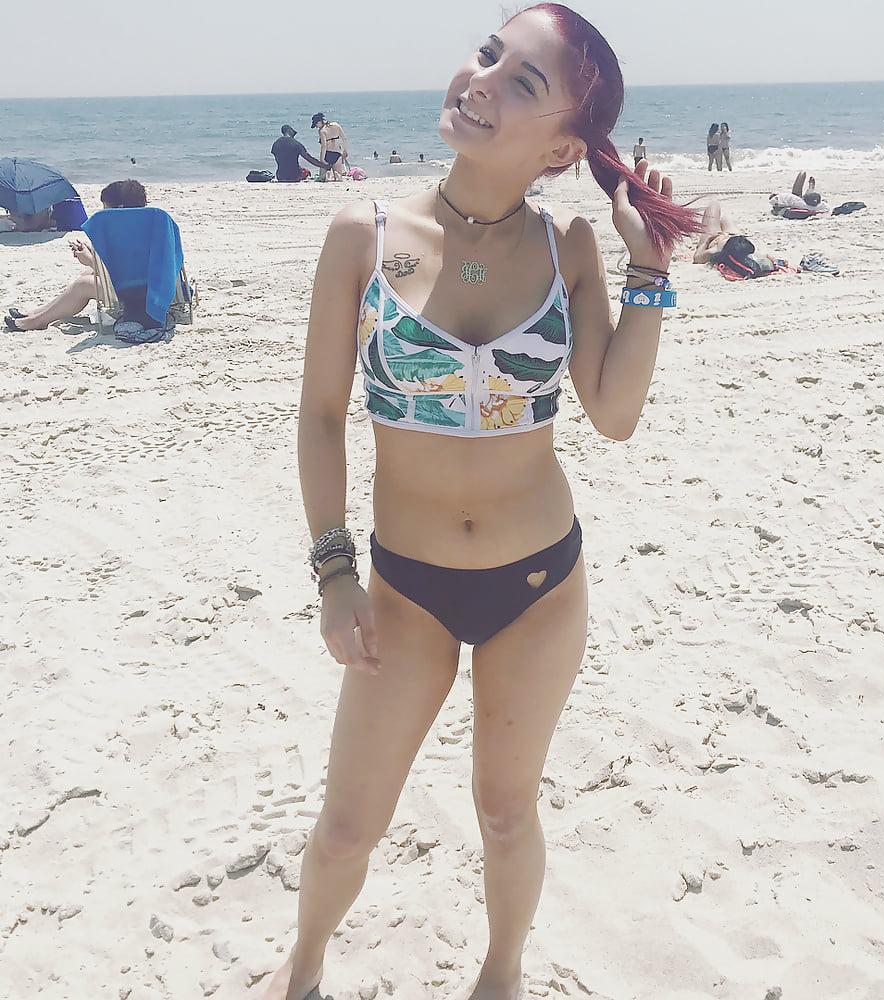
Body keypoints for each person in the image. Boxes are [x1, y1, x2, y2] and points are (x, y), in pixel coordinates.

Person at [262, 4, 700, 1000]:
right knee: (348, 825)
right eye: (488, 53)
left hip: (538, 585)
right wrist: (333, 570)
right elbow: (322, 414)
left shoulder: (570, 247)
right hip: (403, 587)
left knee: (506, 812)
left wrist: (648, 271)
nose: (482, 79)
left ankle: (500, 974)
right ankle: (304, 964)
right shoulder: (363, 233)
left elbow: (614, 414)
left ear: (562, 147)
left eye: (522, 82)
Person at [5, 180, 148, 332]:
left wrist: (91, 261)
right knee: (88, 274)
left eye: (106, 208)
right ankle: (37, 313)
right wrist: (93, 256)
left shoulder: (131, 234)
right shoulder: (146, 225)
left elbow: (124, 276)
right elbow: (128, 268)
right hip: (150, 290)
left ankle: (36, 321)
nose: (103, 213)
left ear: (120, 209)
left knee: (83, 285)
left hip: (140, 297)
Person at [312, 113, 349, 181]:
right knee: (339, 175)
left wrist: (322, 159)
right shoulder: (336, 125)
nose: (316, 127)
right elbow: (344, 138)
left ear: (320, 122)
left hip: (327, 154)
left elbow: (324, 146)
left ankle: (327, 174)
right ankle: (336, 175)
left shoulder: (322, 131)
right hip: (337, 153)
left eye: (316, 124)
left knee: (322, 178)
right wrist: (345, 151)